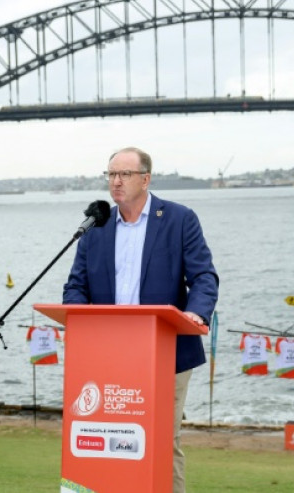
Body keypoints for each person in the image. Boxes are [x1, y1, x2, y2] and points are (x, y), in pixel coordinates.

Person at [63, 146, 219, 493]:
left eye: (124, 175)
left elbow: (204, 278)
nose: (116, 182)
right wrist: (78, 320)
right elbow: (76, 286)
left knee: (163, 440)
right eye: (111, 175)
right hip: (107, 356)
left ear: (145, 179)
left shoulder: (179, 219)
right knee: (109, 438)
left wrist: (194, 313)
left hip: (168, 352)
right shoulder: (96, 225)